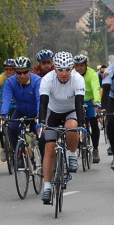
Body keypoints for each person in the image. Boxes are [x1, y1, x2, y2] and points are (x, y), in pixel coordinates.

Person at [38, 51, 85, 204]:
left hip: (71, 111)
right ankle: (47, 187)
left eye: (67, 70)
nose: (64, 74)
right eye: (60, 70)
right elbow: (43, 103)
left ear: (72, 69)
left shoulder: (77, 79)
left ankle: (72, 155)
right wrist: (41, 122)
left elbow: (79, 104)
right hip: (53, 112)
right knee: (49, 147)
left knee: (71, 126)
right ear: (54, 69)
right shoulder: (47, 79)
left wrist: (82, 126)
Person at [0, 56, 41, 162]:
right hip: (20, 111)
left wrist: (40, 115)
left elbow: (40, 99)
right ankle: (19, 154)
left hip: (35, 112)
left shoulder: (37, 81)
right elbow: (6, 98)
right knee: (12, 128)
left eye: (25, 72)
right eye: (18, 73)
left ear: (30, 71)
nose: (22, 76)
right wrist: (3, 115)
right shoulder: (10, 82)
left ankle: (44, 158)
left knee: (41, 133)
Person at [73, 54, 102, 164]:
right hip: (77, 100)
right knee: (76, 123)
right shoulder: (73, 74)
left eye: (82, 65)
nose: (79, 68)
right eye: (77, 65)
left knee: (94, 124)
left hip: (90, 100)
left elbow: (96, 88)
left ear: (86, 65)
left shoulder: (92, 74)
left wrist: (97, 102)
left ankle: (95, 148)